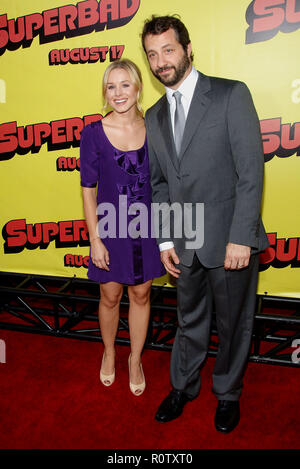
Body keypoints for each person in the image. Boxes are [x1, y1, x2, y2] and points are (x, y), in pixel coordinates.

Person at [141, 15, 269, 431]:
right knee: (188, 318)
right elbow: (160, 184)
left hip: (229, 240)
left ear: (188, 48)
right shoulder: (155, 115)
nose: (161, 61)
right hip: (183, 238)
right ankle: (183, 386)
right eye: (153, 54)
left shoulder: (231, 95)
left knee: (234, 322)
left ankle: (228, 392)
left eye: (169, 50)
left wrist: (241, 238)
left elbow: (251, 173)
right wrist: (164, 241)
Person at [80, 58, 165, 396]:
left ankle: (135, 358)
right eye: (111, 86)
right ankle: (110, 351)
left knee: (142, 294)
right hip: (111, 229)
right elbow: (88, 189)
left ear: (138, 87)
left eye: (124, 85)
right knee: (110, 295)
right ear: (105, 91)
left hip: (146, 227)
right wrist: (94, 239)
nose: (118, 93)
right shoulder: (93, 133)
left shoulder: (155, 129)